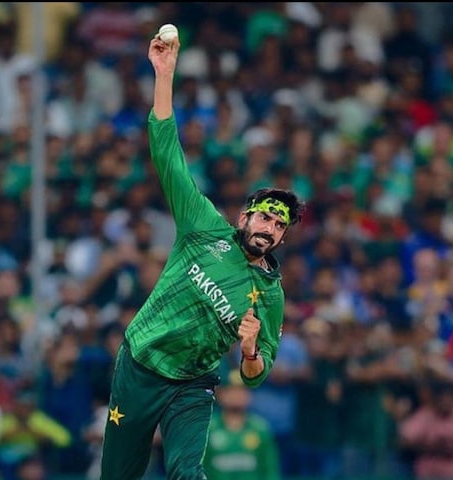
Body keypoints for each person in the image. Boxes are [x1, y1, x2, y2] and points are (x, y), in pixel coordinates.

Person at [99, 32, 305, 480]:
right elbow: (167, 155)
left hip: (194, 383)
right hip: (141, 364)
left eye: (279, 226)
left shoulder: (269, 294)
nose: (269, 228)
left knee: (186, 473)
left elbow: (256, 374)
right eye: (264, 218)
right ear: (244, 217)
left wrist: (249, 351)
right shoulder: (204, 227)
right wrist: (164, 74)